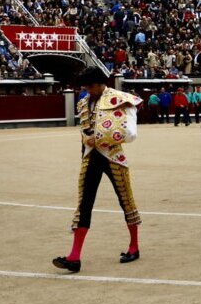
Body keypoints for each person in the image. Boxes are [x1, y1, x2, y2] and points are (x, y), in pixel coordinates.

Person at [53, 68, 142, 273]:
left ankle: (134, 246)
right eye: (85, 87)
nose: (88, 91)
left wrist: (101, 138)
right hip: (91, 157)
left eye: (90, 86)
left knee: (126, 200)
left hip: (113, 157)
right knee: (84, 204)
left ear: (102, 83)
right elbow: (84, 131)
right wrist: (87, 139)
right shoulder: (84, 102)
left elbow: (130, 134)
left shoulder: (121, 99)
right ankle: (74, 257)